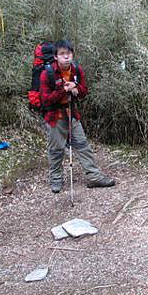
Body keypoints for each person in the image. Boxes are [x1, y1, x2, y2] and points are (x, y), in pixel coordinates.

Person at [39, 39, 115, 193]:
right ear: (55, 57)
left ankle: (94, 176)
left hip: (71, 114)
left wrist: (76, 88)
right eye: (62, 54)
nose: (66, 57)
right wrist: (63, 89)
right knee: (56, 149)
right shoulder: (47, 74)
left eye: (68, 53)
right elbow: (45, 99)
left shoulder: (76, 70)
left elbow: (84, 92)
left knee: (82, 145)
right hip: (54, 117)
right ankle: (56, 180)